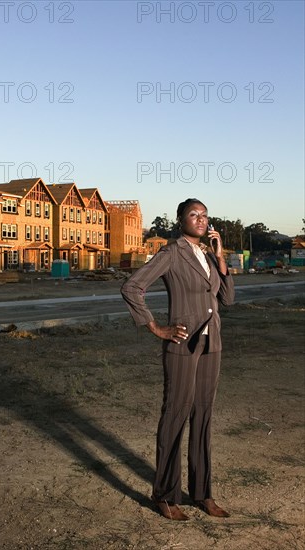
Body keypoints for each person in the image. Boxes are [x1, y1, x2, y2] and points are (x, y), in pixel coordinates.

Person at [120, 198, 235, 521]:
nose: (200, 220)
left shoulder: (209, 256)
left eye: (204, 216)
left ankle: (203, 493)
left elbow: (227, 298)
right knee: (175, 416)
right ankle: (165, 494)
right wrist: (156, 327)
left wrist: (221, 255)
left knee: (203, 418)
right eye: (193, 215)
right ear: (180, 220)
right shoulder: (172, 252)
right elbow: (132, 286)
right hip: (183, 344)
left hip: (212, 344)